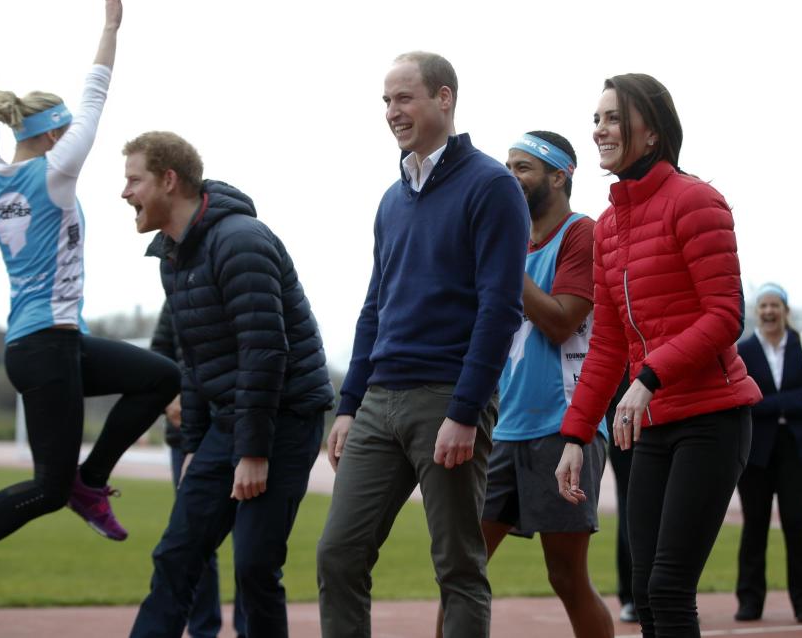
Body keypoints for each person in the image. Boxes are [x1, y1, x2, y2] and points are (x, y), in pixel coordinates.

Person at [0, 0, 181, 637]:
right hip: (49, 348)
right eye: (65, 127)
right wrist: (110, 27)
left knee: (161, 375)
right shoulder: (55, 173)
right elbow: (95, 93)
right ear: (53, 131)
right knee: (44, 489)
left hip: (54, 345)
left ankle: (89, 479)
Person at [317, 52, 530, 638]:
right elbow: (372, 310)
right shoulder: (391, 198)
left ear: (444, 98)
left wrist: (464, 412)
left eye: (403, 98)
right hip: (379, 402)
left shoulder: (491, 186)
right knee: (338, 554)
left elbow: (500, 309)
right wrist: (348, 405)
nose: (392, 112)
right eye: (386, 101)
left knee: (459, 566)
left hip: (447, 399)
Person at [554, 73, 762, 638]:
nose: (600, 129)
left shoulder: (696, 201)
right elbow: (607, 345)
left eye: (614, 117)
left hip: (713, 420)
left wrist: (649, 376)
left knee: (669, 589)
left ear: (652, 133)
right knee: (645, 593)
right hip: (653, 427)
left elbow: (724, 316)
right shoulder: (607, 228)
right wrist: (575, 437)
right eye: (596, 118)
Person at [122, 131, 333, 638]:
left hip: (282, 421)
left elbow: (265, 350)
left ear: (169, 181)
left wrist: (253, 452)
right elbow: (194, 360)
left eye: (134, 180)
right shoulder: (174, 256)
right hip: (227, 423)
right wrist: (195, 444)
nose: (125, 192)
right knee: (177, 553)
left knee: (256, 567)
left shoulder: (240, 240)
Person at [434, 130, 610, 638]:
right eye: (507, 166)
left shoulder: (582, 234)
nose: (510, 176)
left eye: (523, 167)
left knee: (566, 576)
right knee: (461, 572)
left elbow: (560, 322)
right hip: (500, 427)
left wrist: (504, 262)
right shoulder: (506, 241)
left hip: (563, 428)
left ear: (560, 176)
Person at [150, 300, 246, 638]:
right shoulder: (176, 291)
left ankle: (247, 629)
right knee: (190, 540)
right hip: (187, 435)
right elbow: (160, 352)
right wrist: (169, 398)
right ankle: (203, 630)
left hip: (239, 429)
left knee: (248, 541)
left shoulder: (243, 285)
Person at [735, 283, 802, 624]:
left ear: (786, 311)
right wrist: (784, 403)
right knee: (754, 525)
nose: (769, 311)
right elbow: (741, 394)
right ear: (757, 312)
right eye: (763, 306)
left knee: (794, 522)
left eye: (775, 305)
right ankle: (749, 602)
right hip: (756, 452)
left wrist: (768, 404)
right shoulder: (743, 351)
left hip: (799, 450)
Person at [603, 370, 636, 624]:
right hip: (625, 434)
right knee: (631, 510)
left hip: (670, 426)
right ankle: (632, 597)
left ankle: (673, 592)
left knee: (673, 516)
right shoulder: (625, 337)